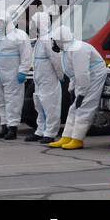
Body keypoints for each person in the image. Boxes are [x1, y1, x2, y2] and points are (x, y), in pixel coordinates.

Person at [47, 25, 107, 150]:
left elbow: (82, 74)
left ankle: (77, 139)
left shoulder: (78, 49)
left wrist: (81, 94)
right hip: (83, 79)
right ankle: (67, 137)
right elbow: (73, 74)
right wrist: (72, 88)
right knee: (73, 108)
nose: (53, 43)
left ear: (60, 40)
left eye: (54, 41)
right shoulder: (67, 50)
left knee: (85, 107)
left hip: (93, 77)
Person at [0, 7, 32, 140]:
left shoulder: (19, 36)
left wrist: (23, 72)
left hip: (13, 76)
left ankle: (12, 128)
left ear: (8, 21)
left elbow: (26, 56)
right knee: (1, 102)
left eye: (1, 22)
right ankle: (4, 127)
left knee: (13, 102)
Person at [27, 10, 64, 143]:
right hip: (39, 80)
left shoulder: (49, 40)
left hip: (49, 80)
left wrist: (60, 76)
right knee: (40, 106)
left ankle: (50, 133)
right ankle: (40, 131)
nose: (32, 27)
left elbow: (57, 61)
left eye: (34, 24)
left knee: (50, 106)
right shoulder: (39, 41)